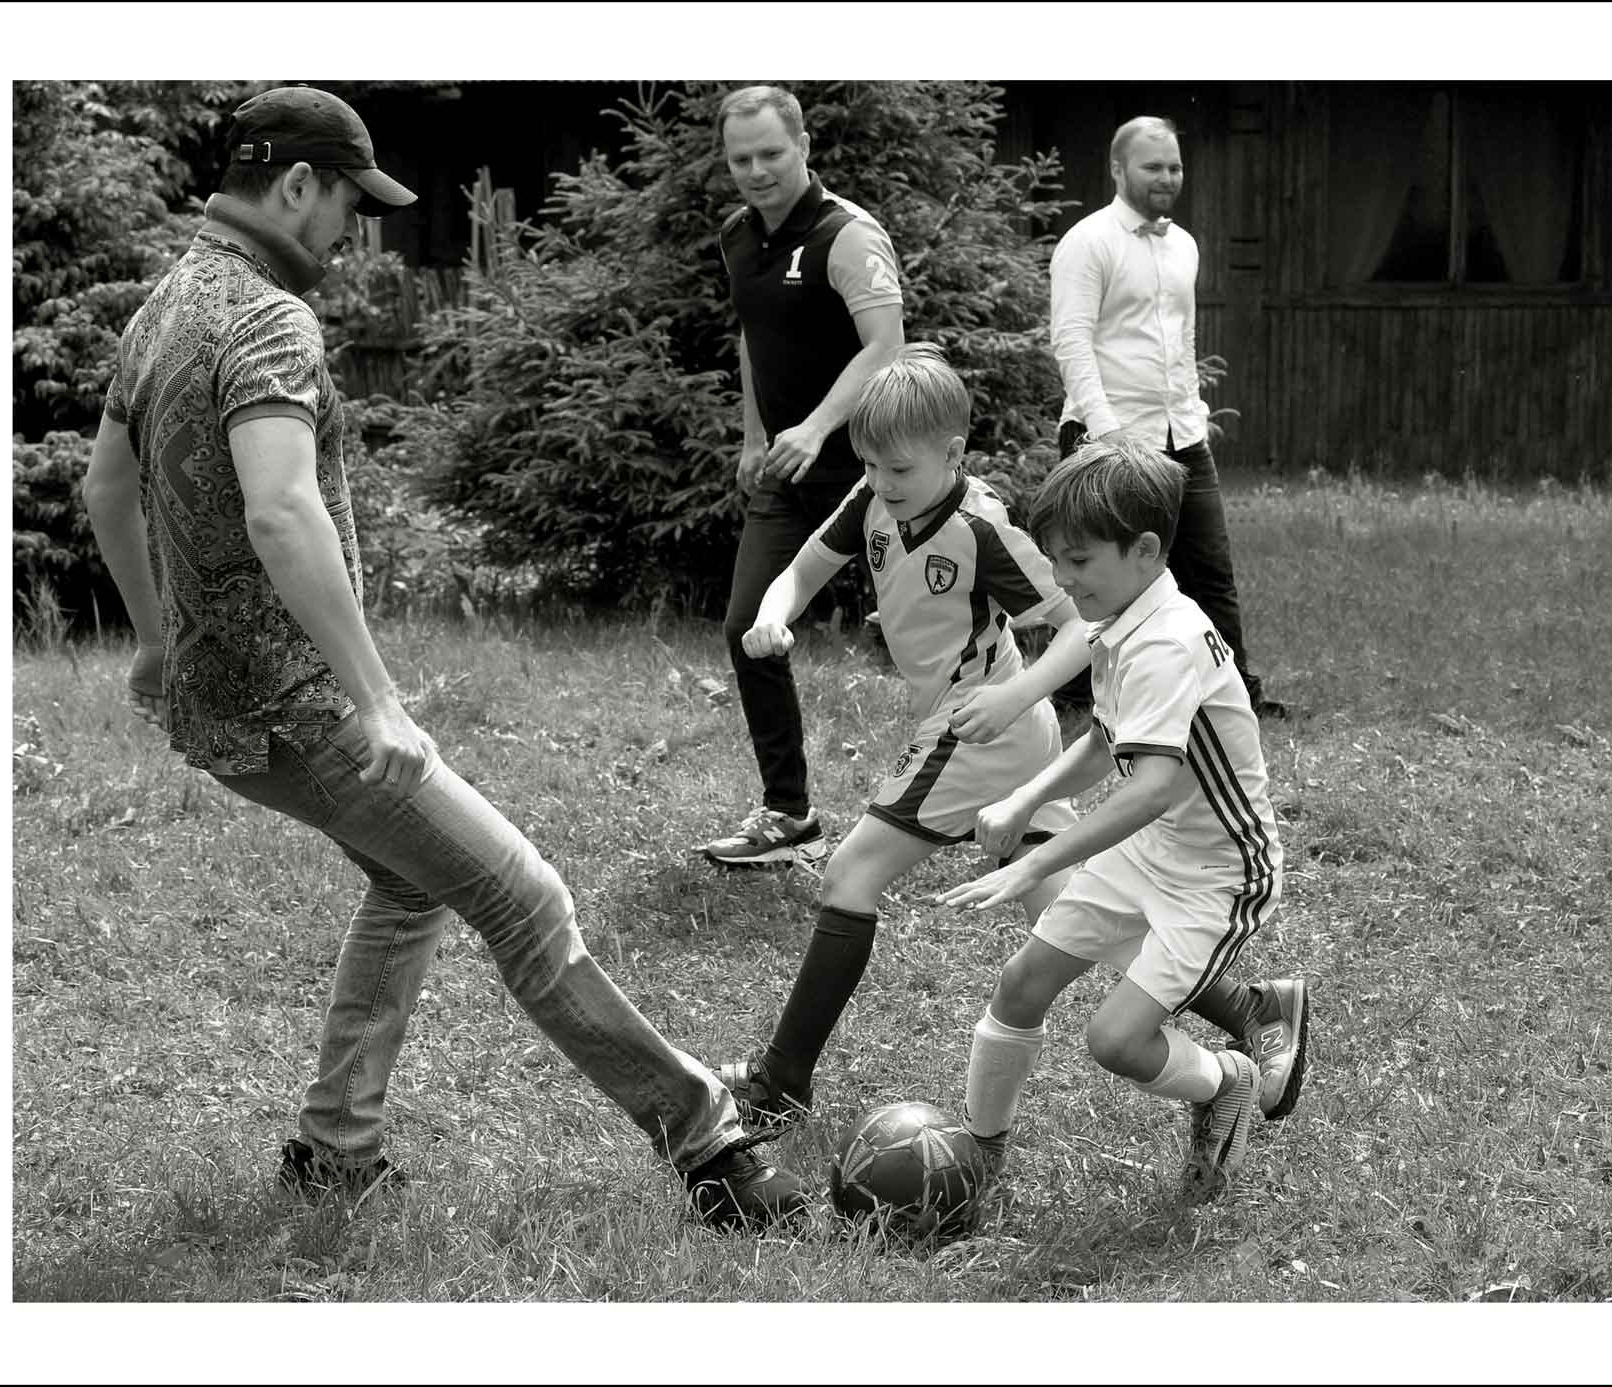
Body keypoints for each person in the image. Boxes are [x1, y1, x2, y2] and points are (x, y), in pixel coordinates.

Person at [79, 85, 804, 1232]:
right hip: (300, 704)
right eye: (345, 206)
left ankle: (333, 1150)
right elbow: (280, 512)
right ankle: (707, 1136)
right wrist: (376, 700)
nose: (349, 232)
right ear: (298, 185)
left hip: (221, 708)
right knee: (526, 899)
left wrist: (158, 642)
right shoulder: (269, 318)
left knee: (413, 881)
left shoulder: (165, 305)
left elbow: (106, 486)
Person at [712, 344, 1095, 1128]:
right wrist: (772, 616)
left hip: (977, 726)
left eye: (899, 471)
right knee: (1071, 918)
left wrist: (1011, 695)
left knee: (847, 878)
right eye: (872, 467)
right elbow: (804, 569)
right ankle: (1248, 1006)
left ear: (953, 454)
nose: (882, 485)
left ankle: (781, 1081)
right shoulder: (875, 498)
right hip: (999, 731)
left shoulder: (982, 528)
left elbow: (1080, 628)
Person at [939, 436, 1309, 1204]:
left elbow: (1146, 787)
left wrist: (1037, 861)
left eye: (1078, 561)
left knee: (1114, 1040)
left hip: (1218, 873)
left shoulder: (1165, 642)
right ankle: (978, 1155)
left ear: (1143, 550)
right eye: (1055, 560)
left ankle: (1224, 1081)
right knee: (1021, 983)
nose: (1062, 580)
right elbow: (1112, 738)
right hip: (1152, 847)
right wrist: (1022, 799)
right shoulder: (1125, 615)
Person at [699, 84, 907, 867]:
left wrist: (818, 427)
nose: (755, 171)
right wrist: (756, 433)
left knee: (932, 634)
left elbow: (885, 346)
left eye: (770, 155)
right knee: (747, 629)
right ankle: (788, 816)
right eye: (740, 158)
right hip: (786, 472)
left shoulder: (847, 237)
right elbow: (753, 336)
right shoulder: (736, 234)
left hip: (875, 469)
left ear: (804, 145)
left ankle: (1011, 801)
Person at [1049, 115, 1284, 719]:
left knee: (1211, 572)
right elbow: (1072, 341)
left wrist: (1194, 412)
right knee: (1099, 573)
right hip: (1108, 439)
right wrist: (1106, 434)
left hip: (1181, 433)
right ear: (1118, 168)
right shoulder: (1088, 242)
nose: (1167, 177)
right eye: (1153, 166)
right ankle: (1079, 697)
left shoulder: (1183, 245)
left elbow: (1182, 338)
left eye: (1174, 166)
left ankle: (1237, 694)